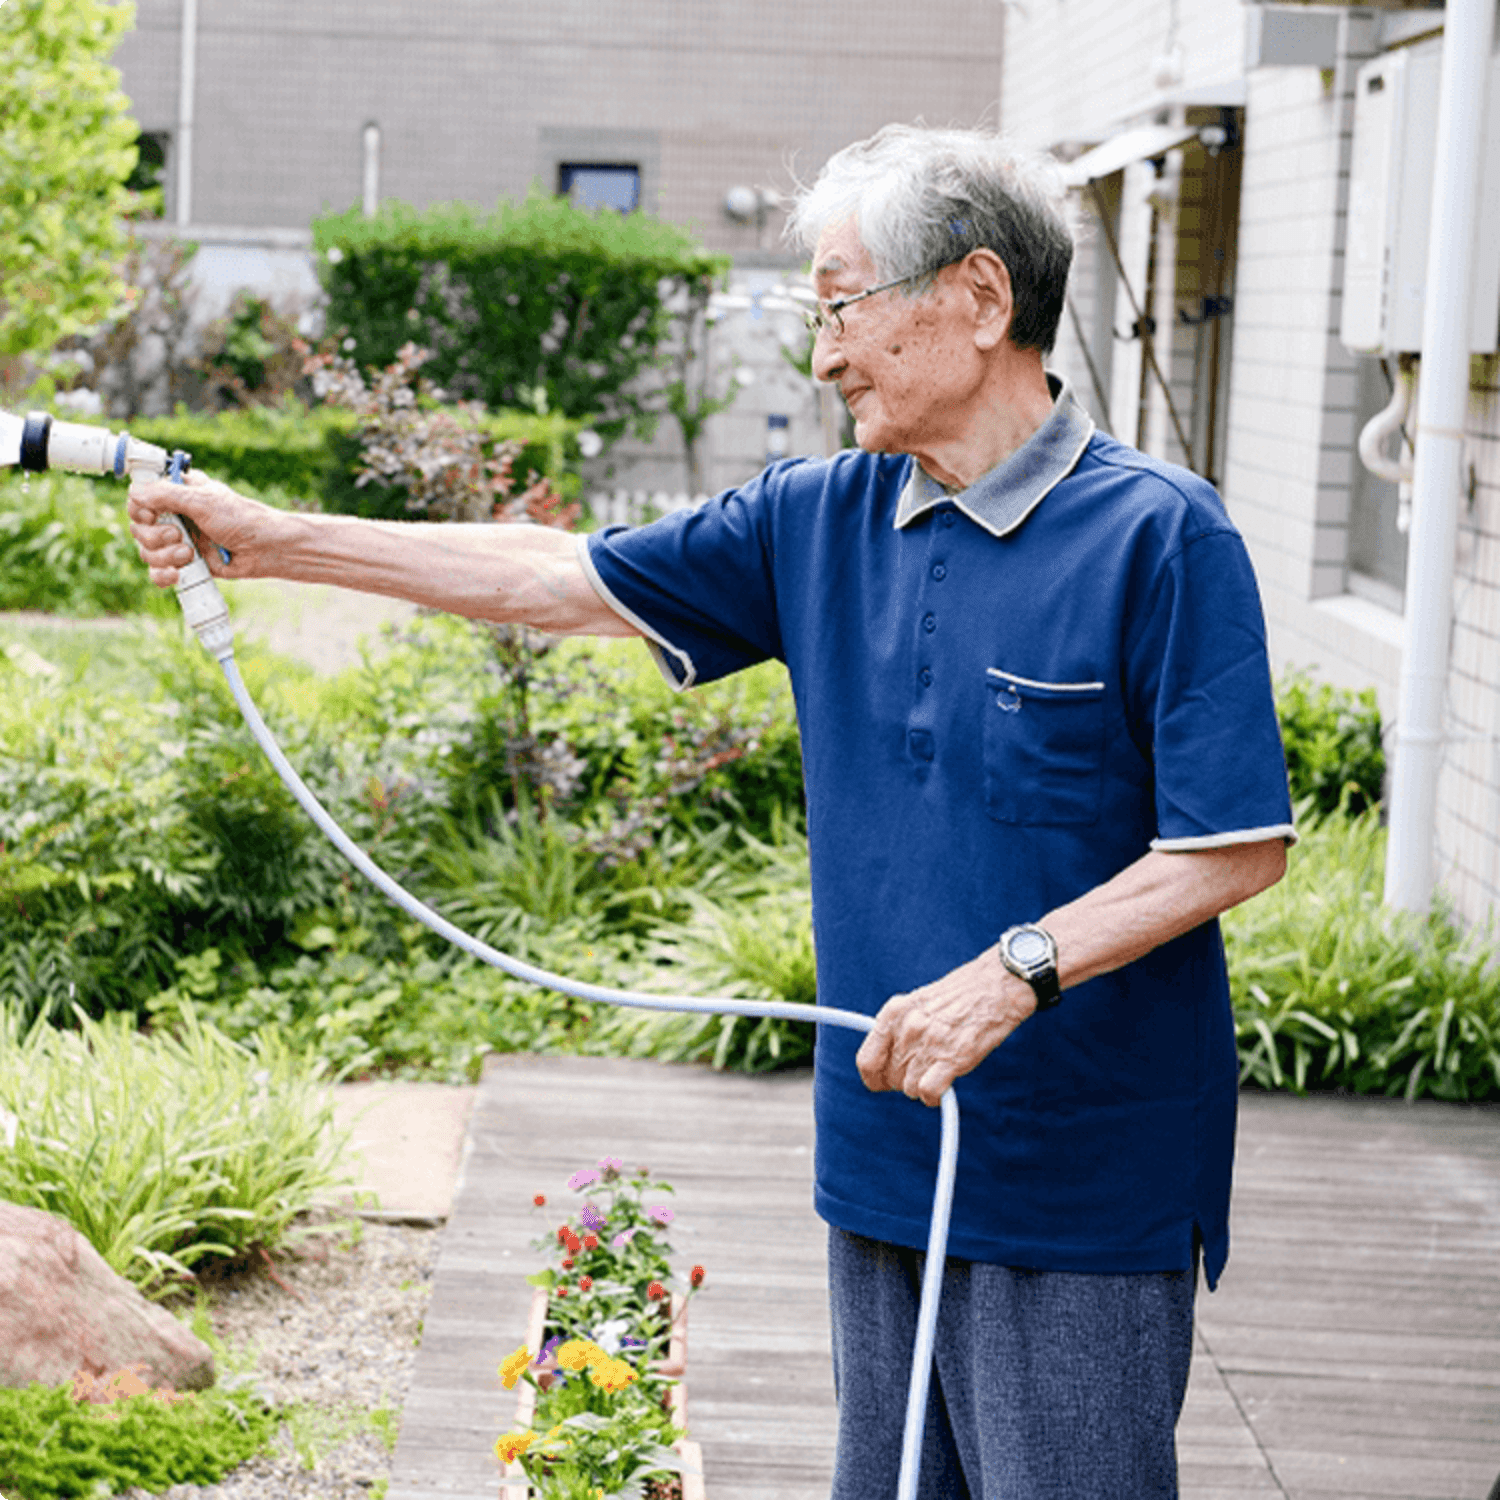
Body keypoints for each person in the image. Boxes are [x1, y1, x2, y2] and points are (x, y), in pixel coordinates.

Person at [130, 124, 1294, 1500]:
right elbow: (555, 576)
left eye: (842, 306)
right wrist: (279, 540)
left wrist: (1012, 973)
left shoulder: (1164, 532)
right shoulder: (820, 517)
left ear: (979, 301)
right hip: (882, 1158)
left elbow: (1232, 846)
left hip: (1081, 1186)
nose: (821, 355)